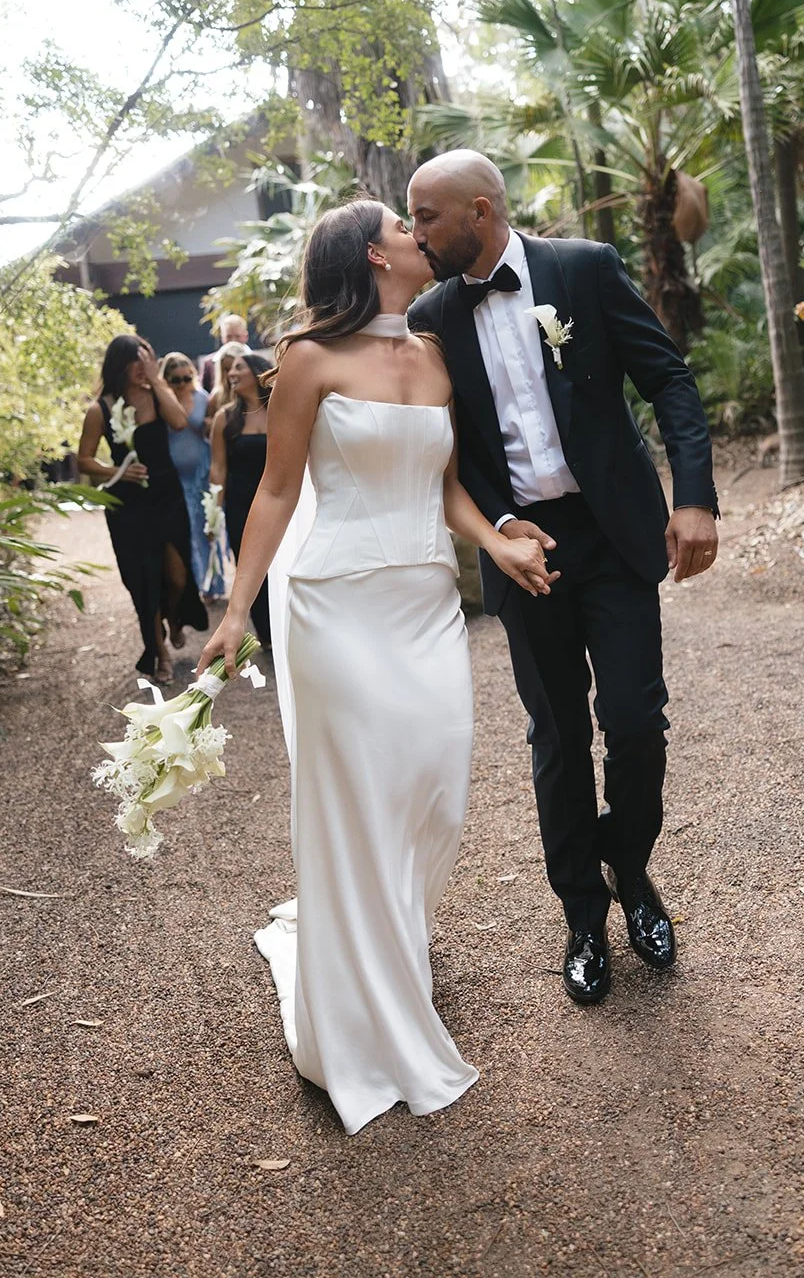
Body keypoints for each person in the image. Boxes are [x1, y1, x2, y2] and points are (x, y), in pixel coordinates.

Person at [196, 199, 552, 1136]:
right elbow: (275, 489)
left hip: (426, 602)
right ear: (370, 254)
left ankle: (392, 939)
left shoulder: (432, 354)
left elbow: (443, 488)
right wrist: (238, 608)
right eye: (403, 226)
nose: (416, 234)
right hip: (335, 604)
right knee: (360, 796)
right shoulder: (308, 361)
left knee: (436, 786)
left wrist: (496, 546)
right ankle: (360, 1011)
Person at [407, 150, 719, 1006]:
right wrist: (500, 530)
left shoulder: (583, 268)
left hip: (613, 535)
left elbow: (669, 380)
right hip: (521, 547)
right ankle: (583, 914)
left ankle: (633, 872)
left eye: (427, 216)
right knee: (555, 738)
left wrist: (693, 499)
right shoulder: (430, 315)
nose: (416, 233)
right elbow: (450, 455)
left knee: (635, 721)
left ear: (480, 209)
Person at [78, 336, 209, 683]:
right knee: (144, 582)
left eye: (147, 361)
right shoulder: (100, 409)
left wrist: (157, 379)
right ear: (118, 366)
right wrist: (118, 472)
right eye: (136, 362)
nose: (142, 368)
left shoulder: (156, 393)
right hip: (128, 504)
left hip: (167, 495)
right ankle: (159, 654)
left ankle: (174, 616)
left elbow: (180, 422)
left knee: (178, 575)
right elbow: (85, 460)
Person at [209, 352, 274, 650]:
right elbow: (218, 468)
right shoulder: (225, 417)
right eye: (229, 370)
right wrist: (213, 512)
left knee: (281, 564)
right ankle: (267, 635)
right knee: (249, 567)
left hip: (278, 500)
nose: (231, 373)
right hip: (239, 502)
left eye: (238, 367)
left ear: (257, 372)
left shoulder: (279, 407)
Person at [159, 351, 223, 601]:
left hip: (201, 471)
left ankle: (212, 583)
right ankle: (191, 583)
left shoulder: (203, 398)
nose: (183, 383)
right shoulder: (162, 402)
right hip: (175, 474)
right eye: (176, 379)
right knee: (184, 530)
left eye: (187, 377)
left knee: (206, 528)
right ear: (167, 380)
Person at [200, 313, 250, 392]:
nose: (233, 340)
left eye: (237, 336)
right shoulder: (209, 363)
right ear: (222, 337)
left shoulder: (257, 361)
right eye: (229, 336)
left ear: (245, 336)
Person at [205, 340, 248, 422]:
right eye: (227, 369)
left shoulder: (257, 394)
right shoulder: (216, 398)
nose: (231, 373)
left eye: (236, 368)